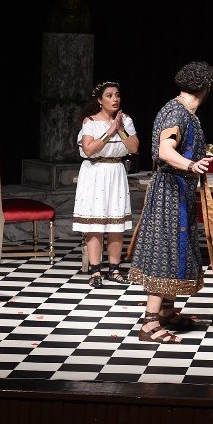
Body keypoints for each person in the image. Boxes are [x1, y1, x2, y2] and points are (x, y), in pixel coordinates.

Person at [127, 61, 213, 344]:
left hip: (179, 191)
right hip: (169, 192)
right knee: (165, 252)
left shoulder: (185, 112)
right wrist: (191, 165)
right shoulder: (176, 112)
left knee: (176, 250)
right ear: (205, 87)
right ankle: (150, 324)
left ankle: (166, 311)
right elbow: (165, 151)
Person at [72, 81, 140, 288]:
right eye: (109, 95)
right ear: (100, 100)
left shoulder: (125, 120)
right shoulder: (90, 121)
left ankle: (114, 269)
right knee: (95, 224)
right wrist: (110, 131)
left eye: (117, 95)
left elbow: (134, 147)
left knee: (116, 223)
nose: (115, 99)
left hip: (116, 171)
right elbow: (89, 149)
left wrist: (121, 130)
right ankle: (95, 271)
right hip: (95, 171)